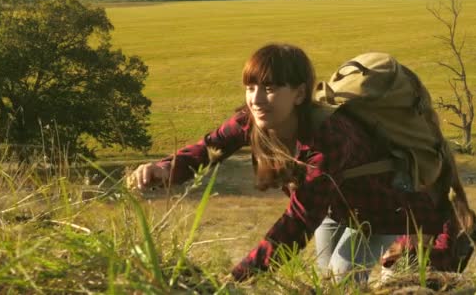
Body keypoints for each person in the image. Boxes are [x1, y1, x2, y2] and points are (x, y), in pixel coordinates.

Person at [126, 43, 454, 282]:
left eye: (269, 88)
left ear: (298, 94)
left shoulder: (329, 139)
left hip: (386, 211)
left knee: (341, 280)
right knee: (326, 276)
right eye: (251, 87)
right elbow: (212, 146)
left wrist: (236, 279)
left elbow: (296, 224)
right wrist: (166, 168)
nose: (256, 99)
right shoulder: (252, 120)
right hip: (337, 207)